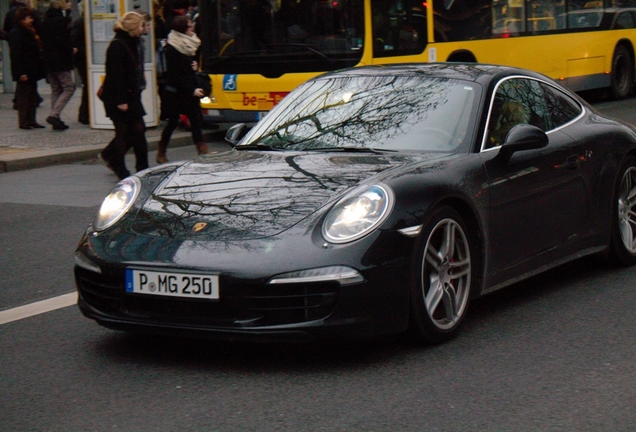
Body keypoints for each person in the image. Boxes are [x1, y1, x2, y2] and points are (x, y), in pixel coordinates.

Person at [99, 12, 149, 180]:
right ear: (133, 27)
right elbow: (115, 75)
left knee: (138, 131)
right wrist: (121, 100)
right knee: (123, 132)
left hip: (131, 94)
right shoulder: (118, 45)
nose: (143, 29)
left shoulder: (133, 42)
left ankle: (141, 166)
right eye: (141, 26)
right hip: (118, 97)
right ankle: (120, 166)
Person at [156, 15, 208, 163]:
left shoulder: (191, 44)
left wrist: (194, 66)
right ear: (183, 30)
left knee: (196, 121)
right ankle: (161, 152)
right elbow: (174, 75)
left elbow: (188, 65)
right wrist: (192, 90)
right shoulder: (171, 47)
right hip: (175, 92)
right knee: (172, 122)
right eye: (190, 27)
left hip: (188, 89)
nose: (193, 29)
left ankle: (203, 152)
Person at [7, 7, 46, 130]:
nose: (32, 20)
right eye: (29, 18)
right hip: (25, 69)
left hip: (32, 68)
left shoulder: (28, 31)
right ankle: (24, 121)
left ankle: (31, 120)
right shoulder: (17, 33)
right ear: (22, 19)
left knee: (32, 95)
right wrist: (21, 72)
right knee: (24, 96)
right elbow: (16, 55)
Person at [40, 0, 76, 130]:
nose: (70, 4)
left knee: (56, 89)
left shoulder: (46, 20)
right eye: (67, 2)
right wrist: (71, 49)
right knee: (69, 88)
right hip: (60, 60)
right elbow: (62, 40)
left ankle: (56, 117)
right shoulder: (61, 21)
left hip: (48, 60)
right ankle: (54, 115)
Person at [70, 1, 88, 124]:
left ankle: (85, 114)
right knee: (88, 86)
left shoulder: (80, 22)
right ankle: (84, 114)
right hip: (83, 59)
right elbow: (74, 42)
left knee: (88, 87)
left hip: (82, 58)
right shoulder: (81, 23)